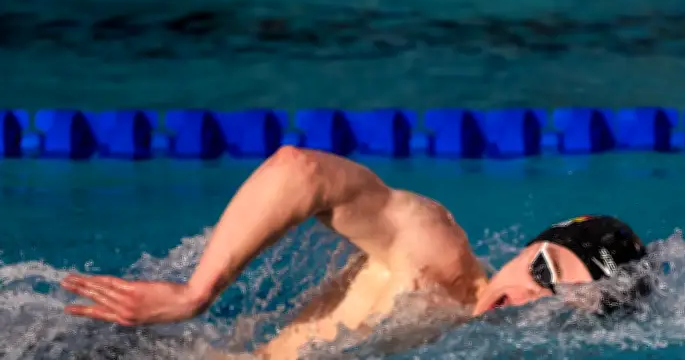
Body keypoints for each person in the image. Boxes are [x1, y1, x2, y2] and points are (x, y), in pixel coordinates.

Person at [60, 147, 650, 359]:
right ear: (527, 249)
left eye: (560, 301)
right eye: (542, 270)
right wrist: (195, 294)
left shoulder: (489, 342)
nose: (526, 297)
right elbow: (302, 171)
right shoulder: (435, 255)